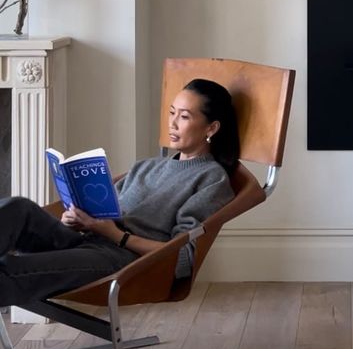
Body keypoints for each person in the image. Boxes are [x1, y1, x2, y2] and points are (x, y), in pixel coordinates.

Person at [0, 78, 237, 310]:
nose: (172, 123)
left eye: (184, 116)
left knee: (10, 269)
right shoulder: (146, 166)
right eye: (172, 112)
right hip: (86, 241)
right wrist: (76, 221)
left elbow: (182, 259)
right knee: (18, 208)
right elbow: (105, 214)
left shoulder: (211, 179)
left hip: (123, 261)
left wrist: (116, 235)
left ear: (211, 128)